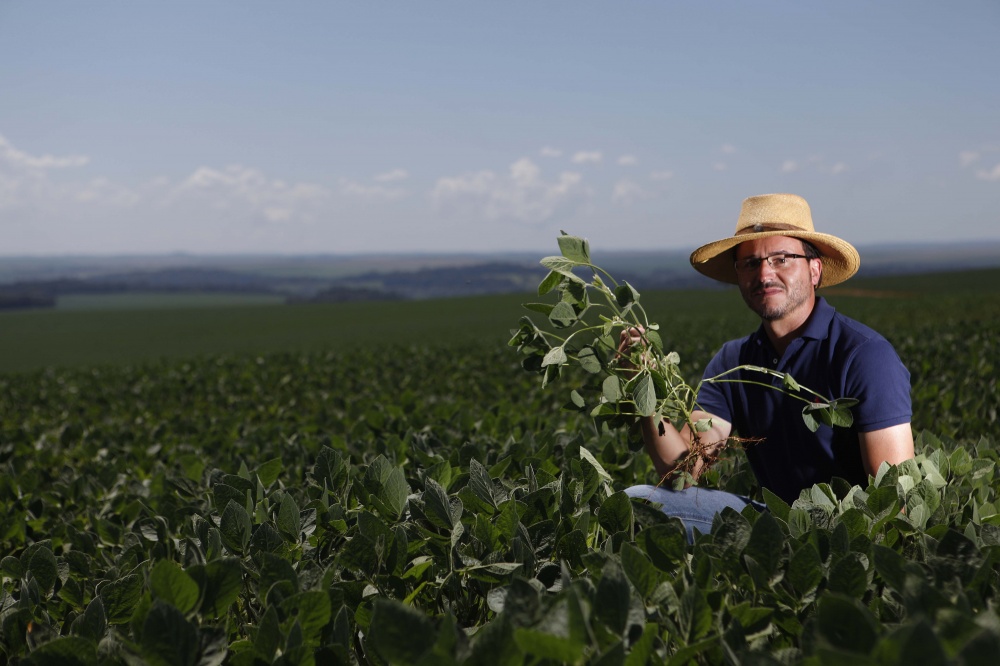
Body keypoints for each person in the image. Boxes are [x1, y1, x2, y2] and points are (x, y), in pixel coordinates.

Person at [622, 193, 914, 540]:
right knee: (639, 503)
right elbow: (684, 471)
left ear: (815, 269)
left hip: (847, 534)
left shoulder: (865, 355)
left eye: (781, 259)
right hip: (778, 526)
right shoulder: (732, 362)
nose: (764, 274)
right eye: (750, 263)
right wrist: (645, 387)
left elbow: (895, 504)